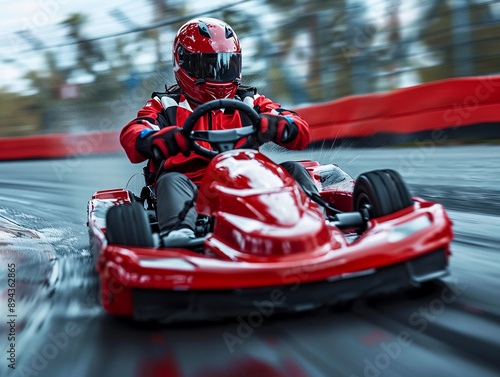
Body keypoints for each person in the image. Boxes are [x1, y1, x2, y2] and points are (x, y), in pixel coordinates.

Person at [120, 18, 320, 246]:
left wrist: (274, 125)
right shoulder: (165, 106)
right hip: (192, 191)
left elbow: (299, 129)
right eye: (207, 66)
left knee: (292, 169)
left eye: (226, 66)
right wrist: (167, 139)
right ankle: (180, 237)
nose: (218, 74)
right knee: (171, 181)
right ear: (183, 64)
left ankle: (318, 221)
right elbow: (134, 134)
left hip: (247, 183)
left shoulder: (249, 101)